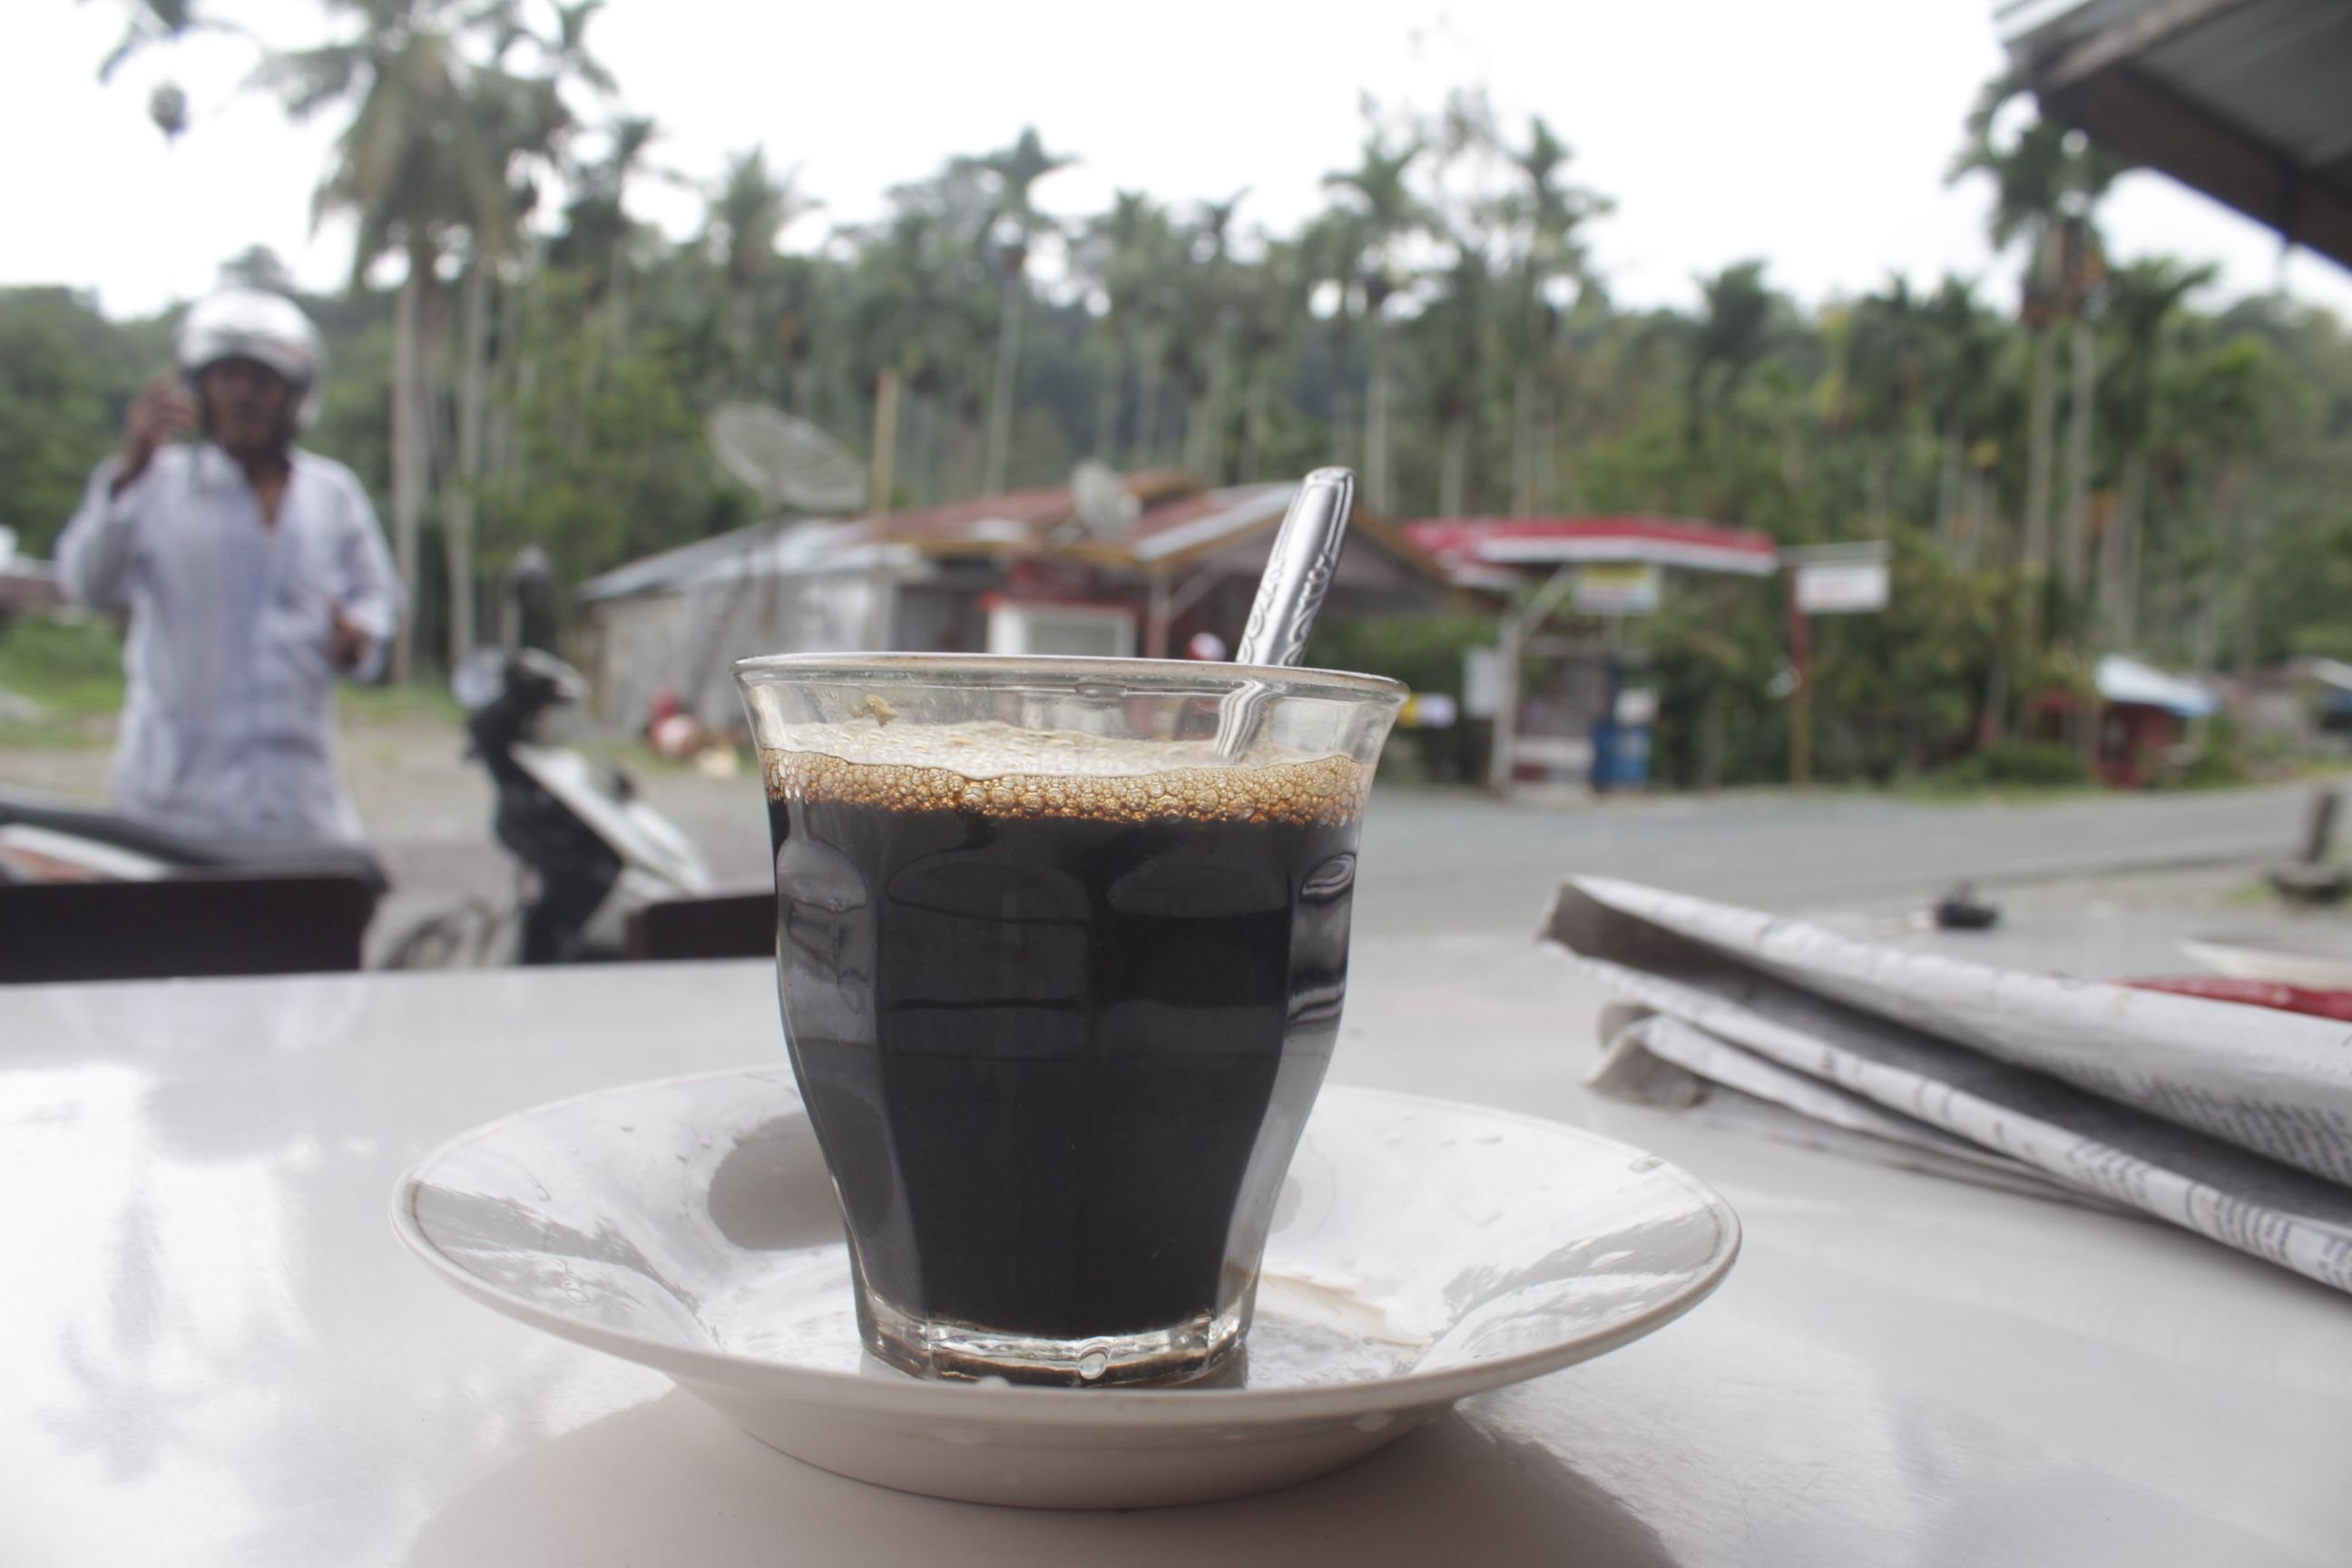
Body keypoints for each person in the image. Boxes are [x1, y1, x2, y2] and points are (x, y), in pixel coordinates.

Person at [55, 289, 399, 843]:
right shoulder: (156, 485)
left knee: (320, 916)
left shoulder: (331, 493)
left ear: (293, 395)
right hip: (172, 800)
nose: (243, 395)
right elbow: (87, 586)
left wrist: (360, 637)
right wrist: (130, 471)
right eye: (227, 378)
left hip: (298, 803)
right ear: (200, 390)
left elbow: (375, 595)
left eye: (261, 381)